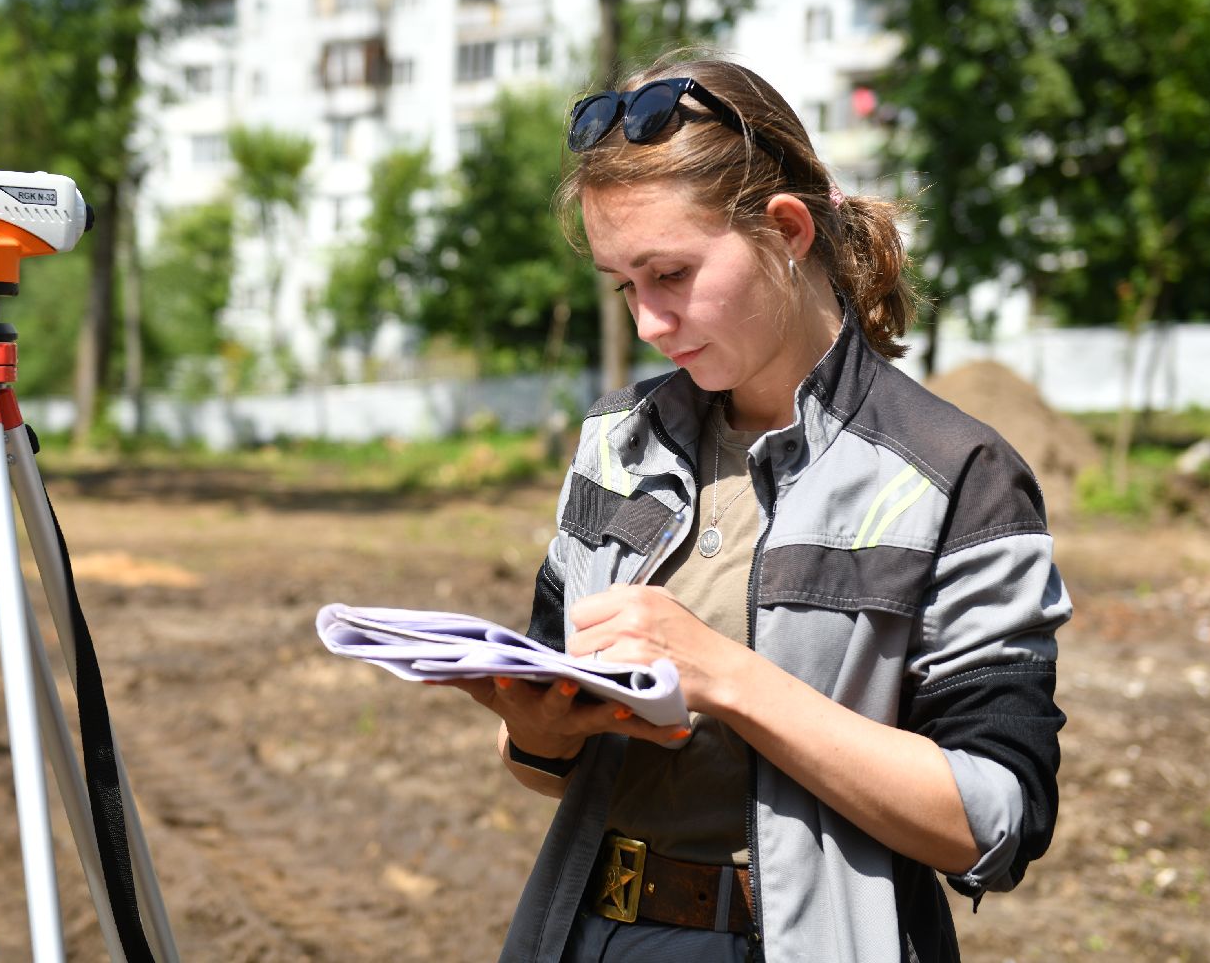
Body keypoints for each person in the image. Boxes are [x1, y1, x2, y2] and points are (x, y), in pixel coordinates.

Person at [442, 53, 1071, 963]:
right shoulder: (614, 444)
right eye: (626, 285)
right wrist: (535, 731)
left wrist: (728, 679)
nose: (650, 322)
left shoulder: (954, 474)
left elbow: (997, 819)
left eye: (671, 273)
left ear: (785, 230)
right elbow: (555, 764)